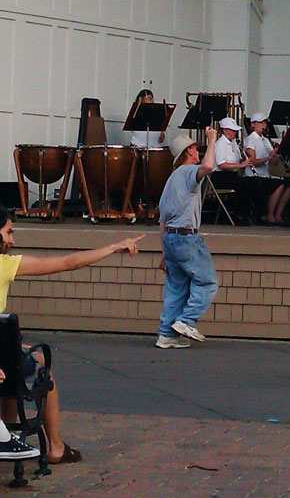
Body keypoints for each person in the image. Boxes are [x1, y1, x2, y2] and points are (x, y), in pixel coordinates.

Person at [0, 206, 142, 463]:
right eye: (9, 232)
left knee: (13, 357)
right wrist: (112, 248)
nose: (12, 240)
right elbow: (66, 263)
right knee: (41, 368)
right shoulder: (5, 265)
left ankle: (7, 430)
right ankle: (55, 446)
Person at [156, 127, 218, 349]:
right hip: (187, 237)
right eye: (196, 148)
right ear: (190, 151)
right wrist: (212, 140)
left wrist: (164, 253)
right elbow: (209, 166)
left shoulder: (171, 179)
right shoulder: (189, 172)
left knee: (176, 287)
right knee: (207, 282)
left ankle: (166, 335)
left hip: (171, 239)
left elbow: (162, 220)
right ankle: (186, 321)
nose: (198, 151)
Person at [244, 113, 290, 225]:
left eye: (265, 122)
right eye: (260, 122)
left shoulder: (265, 140)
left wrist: (277, 153)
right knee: (278, 185)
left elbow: (273, 163)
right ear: (253, 124)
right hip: (253, 176)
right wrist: (268, 157)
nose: (264, 125)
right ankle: (269, 214)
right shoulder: (251, 139)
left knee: (289, 185)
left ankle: (278, 214)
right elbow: (253, 162)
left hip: (265, 175)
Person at [212, 117, 254, 225]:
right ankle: (239, 214)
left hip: (231, 174)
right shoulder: (220, 144)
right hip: (219, 176)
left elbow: (237, 159)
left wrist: (244, 159)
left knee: (250, 182)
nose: (235, 132)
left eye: (235, 130)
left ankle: (246, 213)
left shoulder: (234, 143)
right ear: (225, 130)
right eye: (232, 130)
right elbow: (221, 164)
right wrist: (240, 165)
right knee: (243, 185)